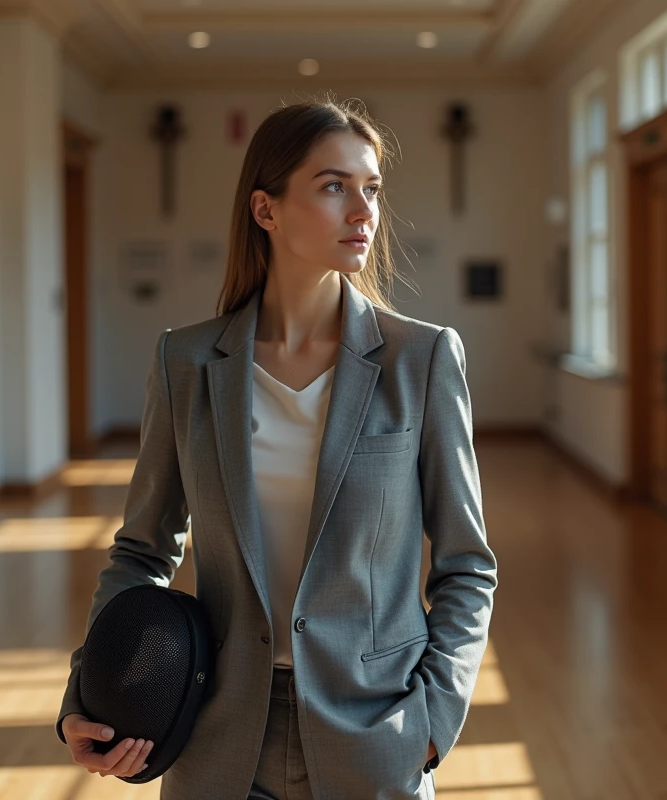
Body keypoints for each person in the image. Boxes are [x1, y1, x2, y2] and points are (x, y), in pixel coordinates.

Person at [56, 96, 498, 800]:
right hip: (217, 737)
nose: (364, 211)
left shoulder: (423, 360)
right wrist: (88, 692)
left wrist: (434, 719)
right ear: (265, 210)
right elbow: (142, 553)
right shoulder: (187, 362)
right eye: (334, 187)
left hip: (375, 736)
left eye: (371, 189)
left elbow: (466, 566)